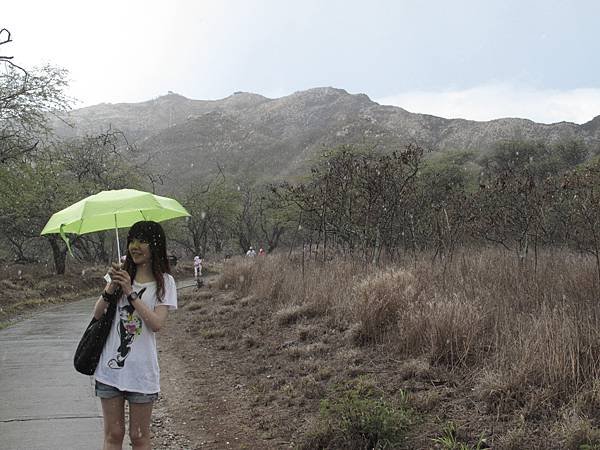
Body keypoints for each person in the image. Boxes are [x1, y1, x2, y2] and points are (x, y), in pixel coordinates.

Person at [92, 221, 177, 450]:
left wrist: (130, 292)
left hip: (142, 371)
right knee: (114, 434)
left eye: (142, 241)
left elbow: (157, 324)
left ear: (155, 246)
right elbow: (98, 314)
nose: (134, 246)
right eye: (132, 240)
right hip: (110, 370)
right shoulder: (120, 274)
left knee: (139, 437)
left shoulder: (165, 283)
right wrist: (112, 287)